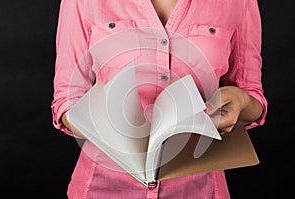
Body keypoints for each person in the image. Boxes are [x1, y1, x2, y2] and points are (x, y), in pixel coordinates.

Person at [51, 0, 267, 198]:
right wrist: (103, 128)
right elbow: (66, 99)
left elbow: (251, 94)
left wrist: (243, 102)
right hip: (102, 186)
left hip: (200, 189)